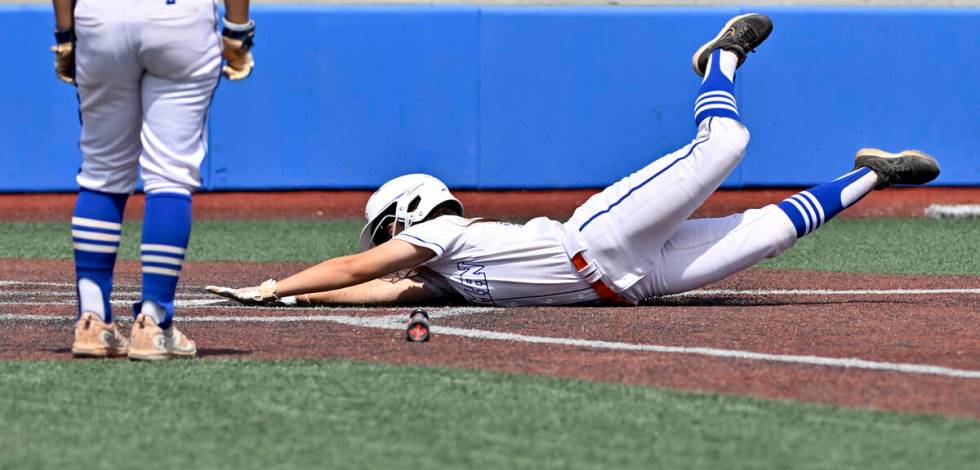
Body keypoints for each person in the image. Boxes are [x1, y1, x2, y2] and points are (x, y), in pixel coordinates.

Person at [208, 14, 939, 310]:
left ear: (406, 215)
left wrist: (279, 282)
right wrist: (292, 298)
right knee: (767, 233)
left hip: (597, 241)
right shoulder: (444, 276)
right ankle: (873, 173)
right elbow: (367, 292)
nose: (386, 253)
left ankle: (720, 61)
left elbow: (353, 270)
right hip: (629, 285)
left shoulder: (447, 239)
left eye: (387, 235)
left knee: (727, 146)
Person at [55, 0, 256, 360]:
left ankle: (91, 321)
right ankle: (154, 322)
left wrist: (66, 33)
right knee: (170, 176)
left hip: (102, 17)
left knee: (101, 174)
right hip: (178, 18)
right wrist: (237, 30)